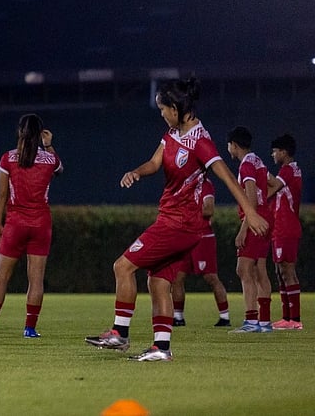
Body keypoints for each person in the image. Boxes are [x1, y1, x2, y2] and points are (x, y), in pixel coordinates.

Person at [86, 79, 269, 361]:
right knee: (158, 282)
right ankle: (162, 348)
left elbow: (227, 177)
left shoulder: (201, 141)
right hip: (176, 221)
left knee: (122, 267)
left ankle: (119, 333)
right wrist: (136, 172)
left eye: (162, 109)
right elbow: (155, 162)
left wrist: (251, 211)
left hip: (180, 223)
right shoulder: (172, 132)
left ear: (175, 107)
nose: (161, 113)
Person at [0, 114, 61, 339]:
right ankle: (30, 329)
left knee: (1, 276)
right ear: (40, 134)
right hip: (41, 225)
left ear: (19, 132)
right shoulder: (49, 159)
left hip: (15, 225)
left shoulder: (7, 158)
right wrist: (49, 145)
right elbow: (60, 169)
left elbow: (1, 195)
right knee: (35, 280)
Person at [227, 126, 275, 333]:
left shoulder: (246, 165)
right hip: (266, 218)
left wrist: (243, 229)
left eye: (228, 145)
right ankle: (264, 322)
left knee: (243, 269)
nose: (228, 148)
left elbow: (251, 202)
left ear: (234, 145)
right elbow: (273, 184)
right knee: (259, 270)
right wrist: (264, 203)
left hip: (255, 221)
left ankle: (251, 321)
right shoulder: (258, 161)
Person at [168, 177, 232, 327]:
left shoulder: (205, 185)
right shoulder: (184, 184)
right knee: (177, 277)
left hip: (202, 238)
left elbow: (209, 209)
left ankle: (225, 318)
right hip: (185, 236)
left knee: (210, 277)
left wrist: (186, 212)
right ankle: (178, 317)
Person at [267, 133, 303, 329]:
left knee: (287, 271)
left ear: (284, 152)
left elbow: (272, 188)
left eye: (274, 151)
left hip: (286, 229)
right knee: (280, 271)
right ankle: (287, 317)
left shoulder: (288, 170)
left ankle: (295, 320)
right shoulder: (287, 172)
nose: (273, 155)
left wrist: (259, 173)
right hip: (280, 229)